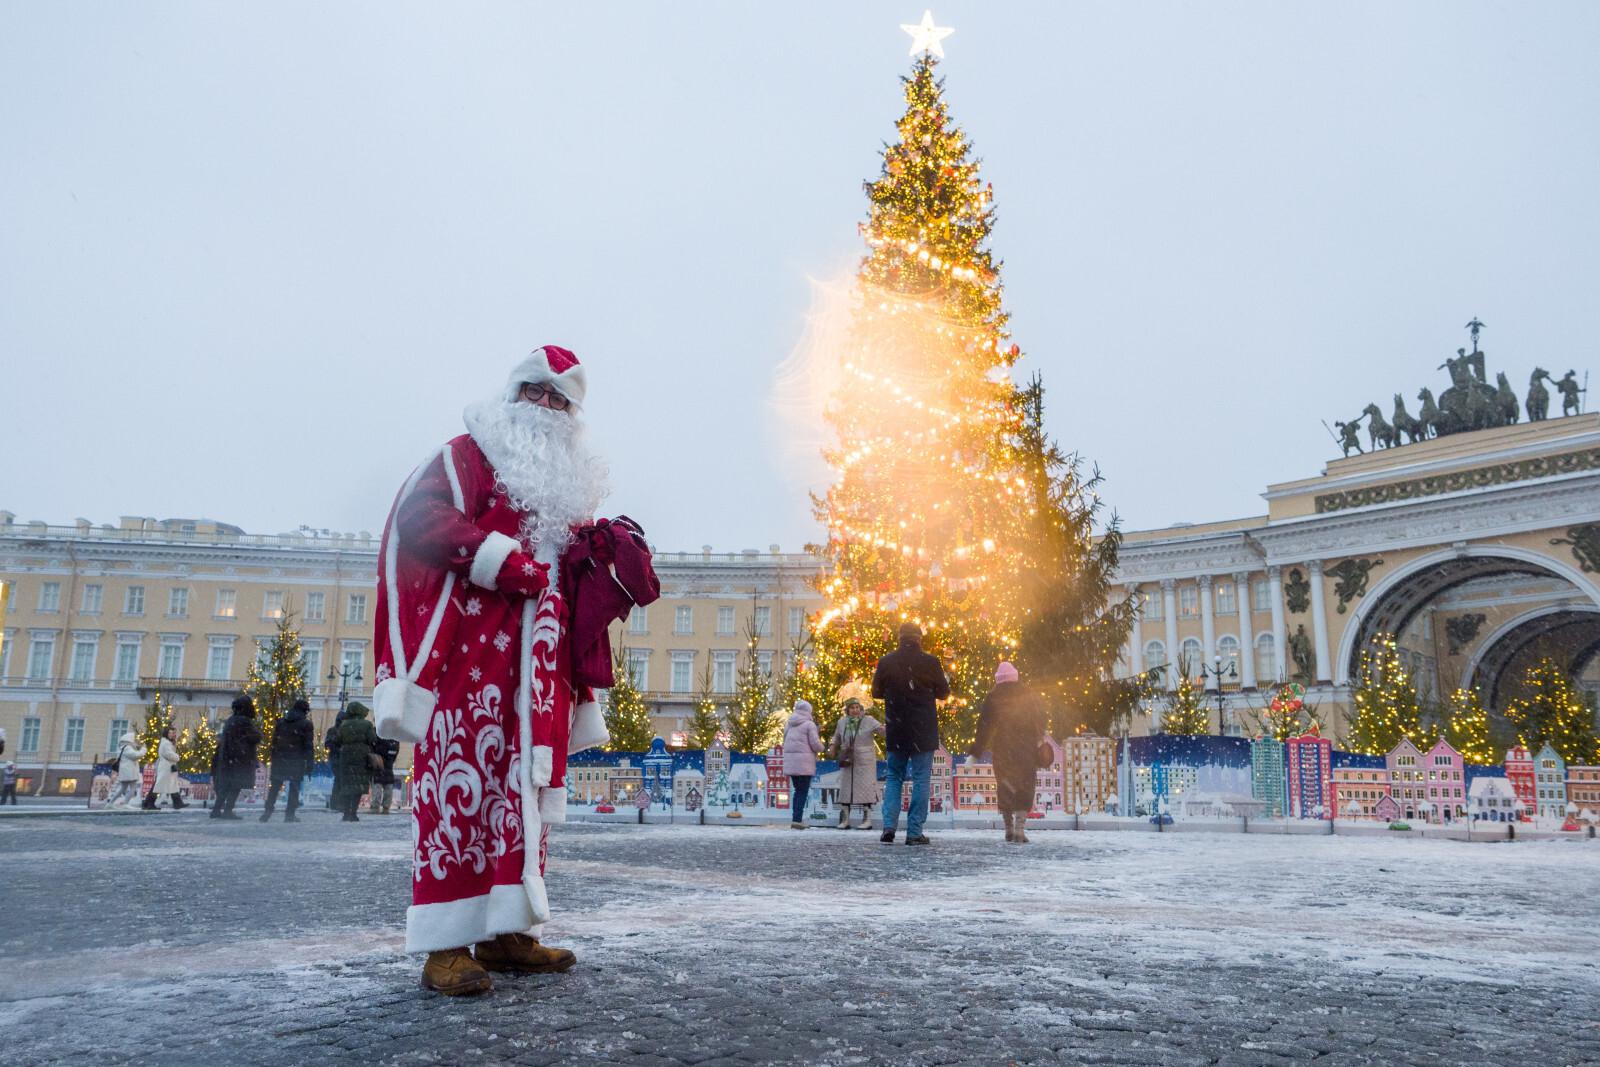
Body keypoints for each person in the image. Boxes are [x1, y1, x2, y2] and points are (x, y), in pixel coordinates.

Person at [374, 344, 655, 997]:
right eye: (536, 391)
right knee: (459, 788)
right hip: (470, 657)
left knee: (523, 792)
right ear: (514, 394)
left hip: (540, 669)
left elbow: (564, 568)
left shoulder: (567, 484)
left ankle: (506, 930)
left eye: (560, 399)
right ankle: (445, 944)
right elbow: (419, 517)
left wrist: (601, 552)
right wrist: (497, 559)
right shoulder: (468, 455)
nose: (546, 407)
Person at [872, 622, 949, 846]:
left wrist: (895, 692)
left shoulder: (886, 661)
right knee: (921, 779)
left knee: (894, 777)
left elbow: (876, 692)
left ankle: (889, 827)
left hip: (897, 728)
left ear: (899, 638)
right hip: (923, 730)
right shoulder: (930, 662)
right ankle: (914, 832)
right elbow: (944, 693)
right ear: (919, 638)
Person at [972, 662, 1048, 844]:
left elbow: (984, 726)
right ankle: (1020, 829)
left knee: (1005, 786)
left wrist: (976, 750)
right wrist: (1040, 739)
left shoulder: (993, 696)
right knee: (1025, 787)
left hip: (1003, 748)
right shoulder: (1028, 694)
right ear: (1015, 677)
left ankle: (1008, 828)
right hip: (1026, 749)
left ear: (998, 679)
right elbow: (1040, 719)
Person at [827, 697, 884, 829]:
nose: (855, 710)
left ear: (861, 708)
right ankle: (845, 819)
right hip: (848, 759)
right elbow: (836, 736)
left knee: (866, 789)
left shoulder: (868, 720)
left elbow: (881, 730)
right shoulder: (842, 722)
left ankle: (867, 820)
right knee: (846, 789)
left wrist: (885, 729)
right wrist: (832, 746)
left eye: (857, 707)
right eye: (852, 708)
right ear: (847, 710)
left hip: (865, 760)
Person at [261, 697, 314, 822]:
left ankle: (267, 811)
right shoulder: (306, 724)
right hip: (296, 759)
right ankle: (290, 814)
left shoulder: (281, 722)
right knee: (294, 787)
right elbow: (308, 745)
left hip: (280, 758)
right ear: (305, 711)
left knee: (275, 786)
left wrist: (273, 756)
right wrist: (309, 762)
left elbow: (274, 741)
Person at [211, 696, 261, 820]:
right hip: (240, 759)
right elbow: (253, 737)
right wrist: (259, 734)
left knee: (226, 786)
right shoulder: (244, 721)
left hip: (228, 758)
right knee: (236, 786)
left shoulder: (231, 720)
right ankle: (228, 810)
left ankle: (216, 810)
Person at [332, 702, 378, 822]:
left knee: (347, 785)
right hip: (361, 756)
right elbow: (372, 739)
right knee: (358, 785)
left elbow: (337, 740)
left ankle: (346, 813)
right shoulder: (367, 724)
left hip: (346, 756)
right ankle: (353, 813)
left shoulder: (344, 724)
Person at [781, 700, 823, 829]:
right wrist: (822, 748)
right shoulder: (809, 725)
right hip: (804, 764)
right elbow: (815, 744)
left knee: (797, 791)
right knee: (802, 791)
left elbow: (784, 741)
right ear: (808, 711)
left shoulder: (789, 724)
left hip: (792, 763)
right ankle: (797, 820)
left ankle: (796, 818)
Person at [143, 726, 184, 810]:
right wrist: (177, 757)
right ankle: (149, 803)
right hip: (166, 767)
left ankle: (178, 802)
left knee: (172, 785)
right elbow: (168, 754)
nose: (173, 734)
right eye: (171, 733)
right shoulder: (166, 743)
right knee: (159, 786)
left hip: (168, 767)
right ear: (166, 734)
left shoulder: (168, 742)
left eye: (174, 733)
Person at [108, 730, 142, 808]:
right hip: (129, 771)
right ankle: (125, 803)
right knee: (133, 787)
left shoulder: (123, 748)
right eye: (134, 740)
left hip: (126, 772)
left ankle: (110, 803)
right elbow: (135, 755)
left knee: (123, 788)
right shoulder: (127, 748)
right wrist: (143, 750)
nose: (135, 742)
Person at [368, 735, 401, 814]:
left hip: (379, 767)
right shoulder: (394, 740)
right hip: (387, 767)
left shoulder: (378, 737)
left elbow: (372, 748)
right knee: (387, 789)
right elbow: (394, 755)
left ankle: (376, 807)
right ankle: (385, 807)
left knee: (378, 788)